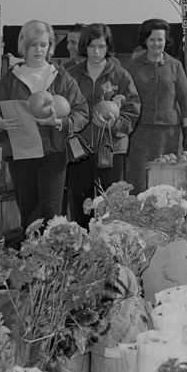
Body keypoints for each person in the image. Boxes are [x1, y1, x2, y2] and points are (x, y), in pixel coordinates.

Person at [0, 19, 89, 231]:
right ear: (24, 45)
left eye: (43, 44)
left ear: (50, 46)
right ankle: (33, 260)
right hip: (21, 155)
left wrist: (60, 122)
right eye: (33, 44)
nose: (38, 49)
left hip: (54, 153)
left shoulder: (61, 77)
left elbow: (81, 113)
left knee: (52, 213)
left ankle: (52, 261)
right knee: (29, 214)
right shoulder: (10, 79)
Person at [67, 23, 141, 228]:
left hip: (111, 150)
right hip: (79, 150)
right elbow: (63, 109)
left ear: (108, 47)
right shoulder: (70, 75)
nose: (96, 52)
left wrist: (116, 124)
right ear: (85, 47)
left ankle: (109, 255)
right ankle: (83, 252)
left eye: (101, 46)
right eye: (91, 47)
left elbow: (133, 111)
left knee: (110, 207)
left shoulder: (121, 75)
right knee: (81, 207)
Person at [124, 18, 187, 194]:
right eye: (152, 39)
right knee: (139, 180)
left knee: (167, 180)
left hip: (168, 134)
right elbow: (126, 99)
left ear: (166, 41)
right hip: (139, 134)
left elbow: (186, 102)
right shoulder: (132, 66)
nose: (156, 43)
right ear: (145, 41)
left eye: (160, 39)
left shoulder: (176, 66)